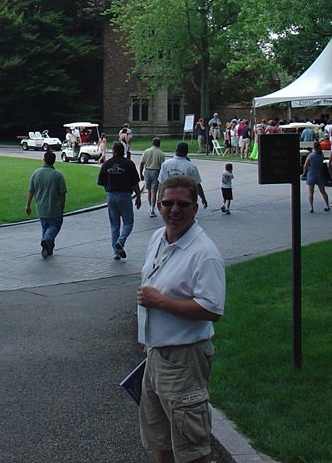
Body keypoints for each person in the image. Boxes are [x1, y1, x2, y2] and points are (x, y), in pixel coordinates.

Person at [137, 175, 225, 463]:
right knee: (160, 439)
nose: (174, 210)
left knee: (190, 446)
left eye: (182, 204)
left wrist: (160, 302)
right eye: (167, 203)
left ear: (195, 208)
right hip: (157, 354)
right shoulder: (157, 238)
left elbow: (212, 308)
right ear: (158, 204)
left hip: (185, 359)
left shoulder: (204, 254)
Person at [97, 142, 142, 260]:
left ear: (113, 151)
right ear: (123, 151)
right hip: (125, 195)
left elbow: (101, 181)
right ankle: (121, 241)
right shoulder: (129, 164)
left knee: (114, 225)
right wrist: (138, 197)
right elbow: (135, 183)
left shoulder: (107, 164)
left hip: (111, 196)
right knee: (128, 222)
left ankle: (116, 252)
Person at [25, 150, 68, 259]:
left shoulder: (35, 174)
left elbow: (31, 190)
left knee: (45, 227)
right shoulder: (58, 175)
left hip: (41, 208)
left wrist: (28, 205)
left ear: (44, 160)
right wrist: (62, 207)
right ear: (54, 161)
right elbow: (62, 193)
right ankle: (47, 240)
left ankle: (48, 249)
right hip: (54, 208)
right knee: (54, 226)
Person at [157, 142, 209, 210]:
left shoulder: (165, 164)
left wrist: (159, 198)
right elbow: (197, 185)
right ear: (187, 152)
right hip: (184, 197)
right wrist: (203, 198)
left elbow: (161, 183)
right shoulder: (191, 166)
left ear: (175, 151)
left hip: (168, 195)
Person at [140, 138, 167, 217]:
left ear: (152, 143)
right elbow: (163, 166)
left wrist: (140, 173)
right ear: (159, 144)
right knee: (154, 191)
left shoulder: (146, 151)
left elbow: (142, 163)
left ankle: (150, 206)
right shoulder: (161, 153)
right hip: (156, 171)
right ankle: (152, 208)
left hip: (147, 170)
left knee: (149, 190)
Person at [302, 139, 331, 213]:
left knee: (311, 192)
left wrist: (304, 173)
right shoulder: (321, 155)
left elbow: (305, 165)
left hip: (311, 174)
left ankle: (311, 207)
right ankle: (327, 205)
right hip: (319, 174)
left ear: (313, 147)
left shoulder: (310, 155)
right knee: (323, 191)